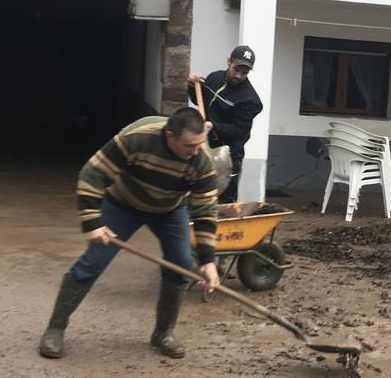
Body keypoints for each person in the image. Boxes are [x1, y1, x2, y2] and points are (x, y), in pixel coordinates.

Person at [38, 107, 221, 360]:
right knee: (93, 262)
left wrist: (208, 261)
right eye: (189, 145)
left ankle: (163, 333)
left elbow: (204, 212)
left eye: (199, 144)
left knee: (180, 264)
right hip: (123, 204)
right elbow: (93, 174)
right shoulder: (137, 136)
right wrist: (92, 222)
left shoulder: (201, 161)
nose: (195, 151)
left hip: (169, 210)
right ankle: (55, 329)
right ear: (169, 135)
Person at [187, 45, 264, 202]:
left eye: (244, 72)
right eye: (236, 69)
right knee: (200, 198)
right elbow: (199, 99)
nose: (239, 75)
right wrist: (192, 86)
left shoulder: (250, 100)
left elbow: (239, 131)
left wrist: (213, 126)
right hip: (205, 150)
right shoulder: (214, 78)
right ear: (229, 61)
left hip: (228, 157)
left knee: (224, 204)